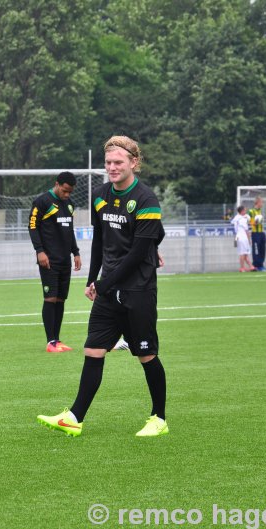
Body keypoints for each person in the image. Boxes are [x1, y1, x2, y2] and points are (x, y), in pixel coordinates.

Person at [37, 135, 168, 438]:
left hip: (138, 290)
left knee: (146, 354)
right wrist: (92, 278)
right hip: (108, 289)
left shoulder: (147, 199)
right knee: (93, 350)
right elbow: (100, 240)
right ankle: (74, 417)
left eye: (118, 162)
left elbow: (137, 253)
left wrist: (105, 281)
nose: (112, 167)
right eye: (108, 162)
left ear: (134, 163)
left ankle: (159, 418)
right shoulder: (99, 195)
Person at [28, 171, 82, 352]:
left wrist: (76, 252)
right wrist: (39, 251)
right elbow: (33, 226)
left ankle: (57, 340)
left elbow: (69, 230)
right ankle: (50, 341)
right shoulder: (42, 202)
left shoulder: (69, 204)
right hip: (49, 260)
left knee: (60, 299)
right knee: (50, 298)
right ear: (57, 184)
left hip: (65, 259)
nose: (67, 195)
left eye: (70, 192)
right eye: (65, 191)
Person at [247, 196, 266, 271]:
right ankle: (256, 265)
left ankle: (261, 265)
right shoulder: (251, 211)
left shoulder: (260, 211)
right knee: (256, 250)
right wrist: (254, 223)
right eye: (261, 202)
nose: (262, 203)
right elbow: (248, 221)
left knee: (262, 249)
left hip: (261, 233)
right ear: (257, 202)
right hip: (255, 233)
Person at [231, 205, 253, 272]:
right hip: (242, 237)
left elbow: (232, 223)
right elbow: (246, 230)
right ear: (242, 211)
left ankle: (251, 266)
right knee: (242, 253)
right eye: (245, 210)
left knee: (245, 252)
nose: (246, 211)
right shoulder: (242, 219)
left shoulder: (236, 218)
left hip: (237, 236)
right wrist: (249, 240)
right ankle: (242, 268)